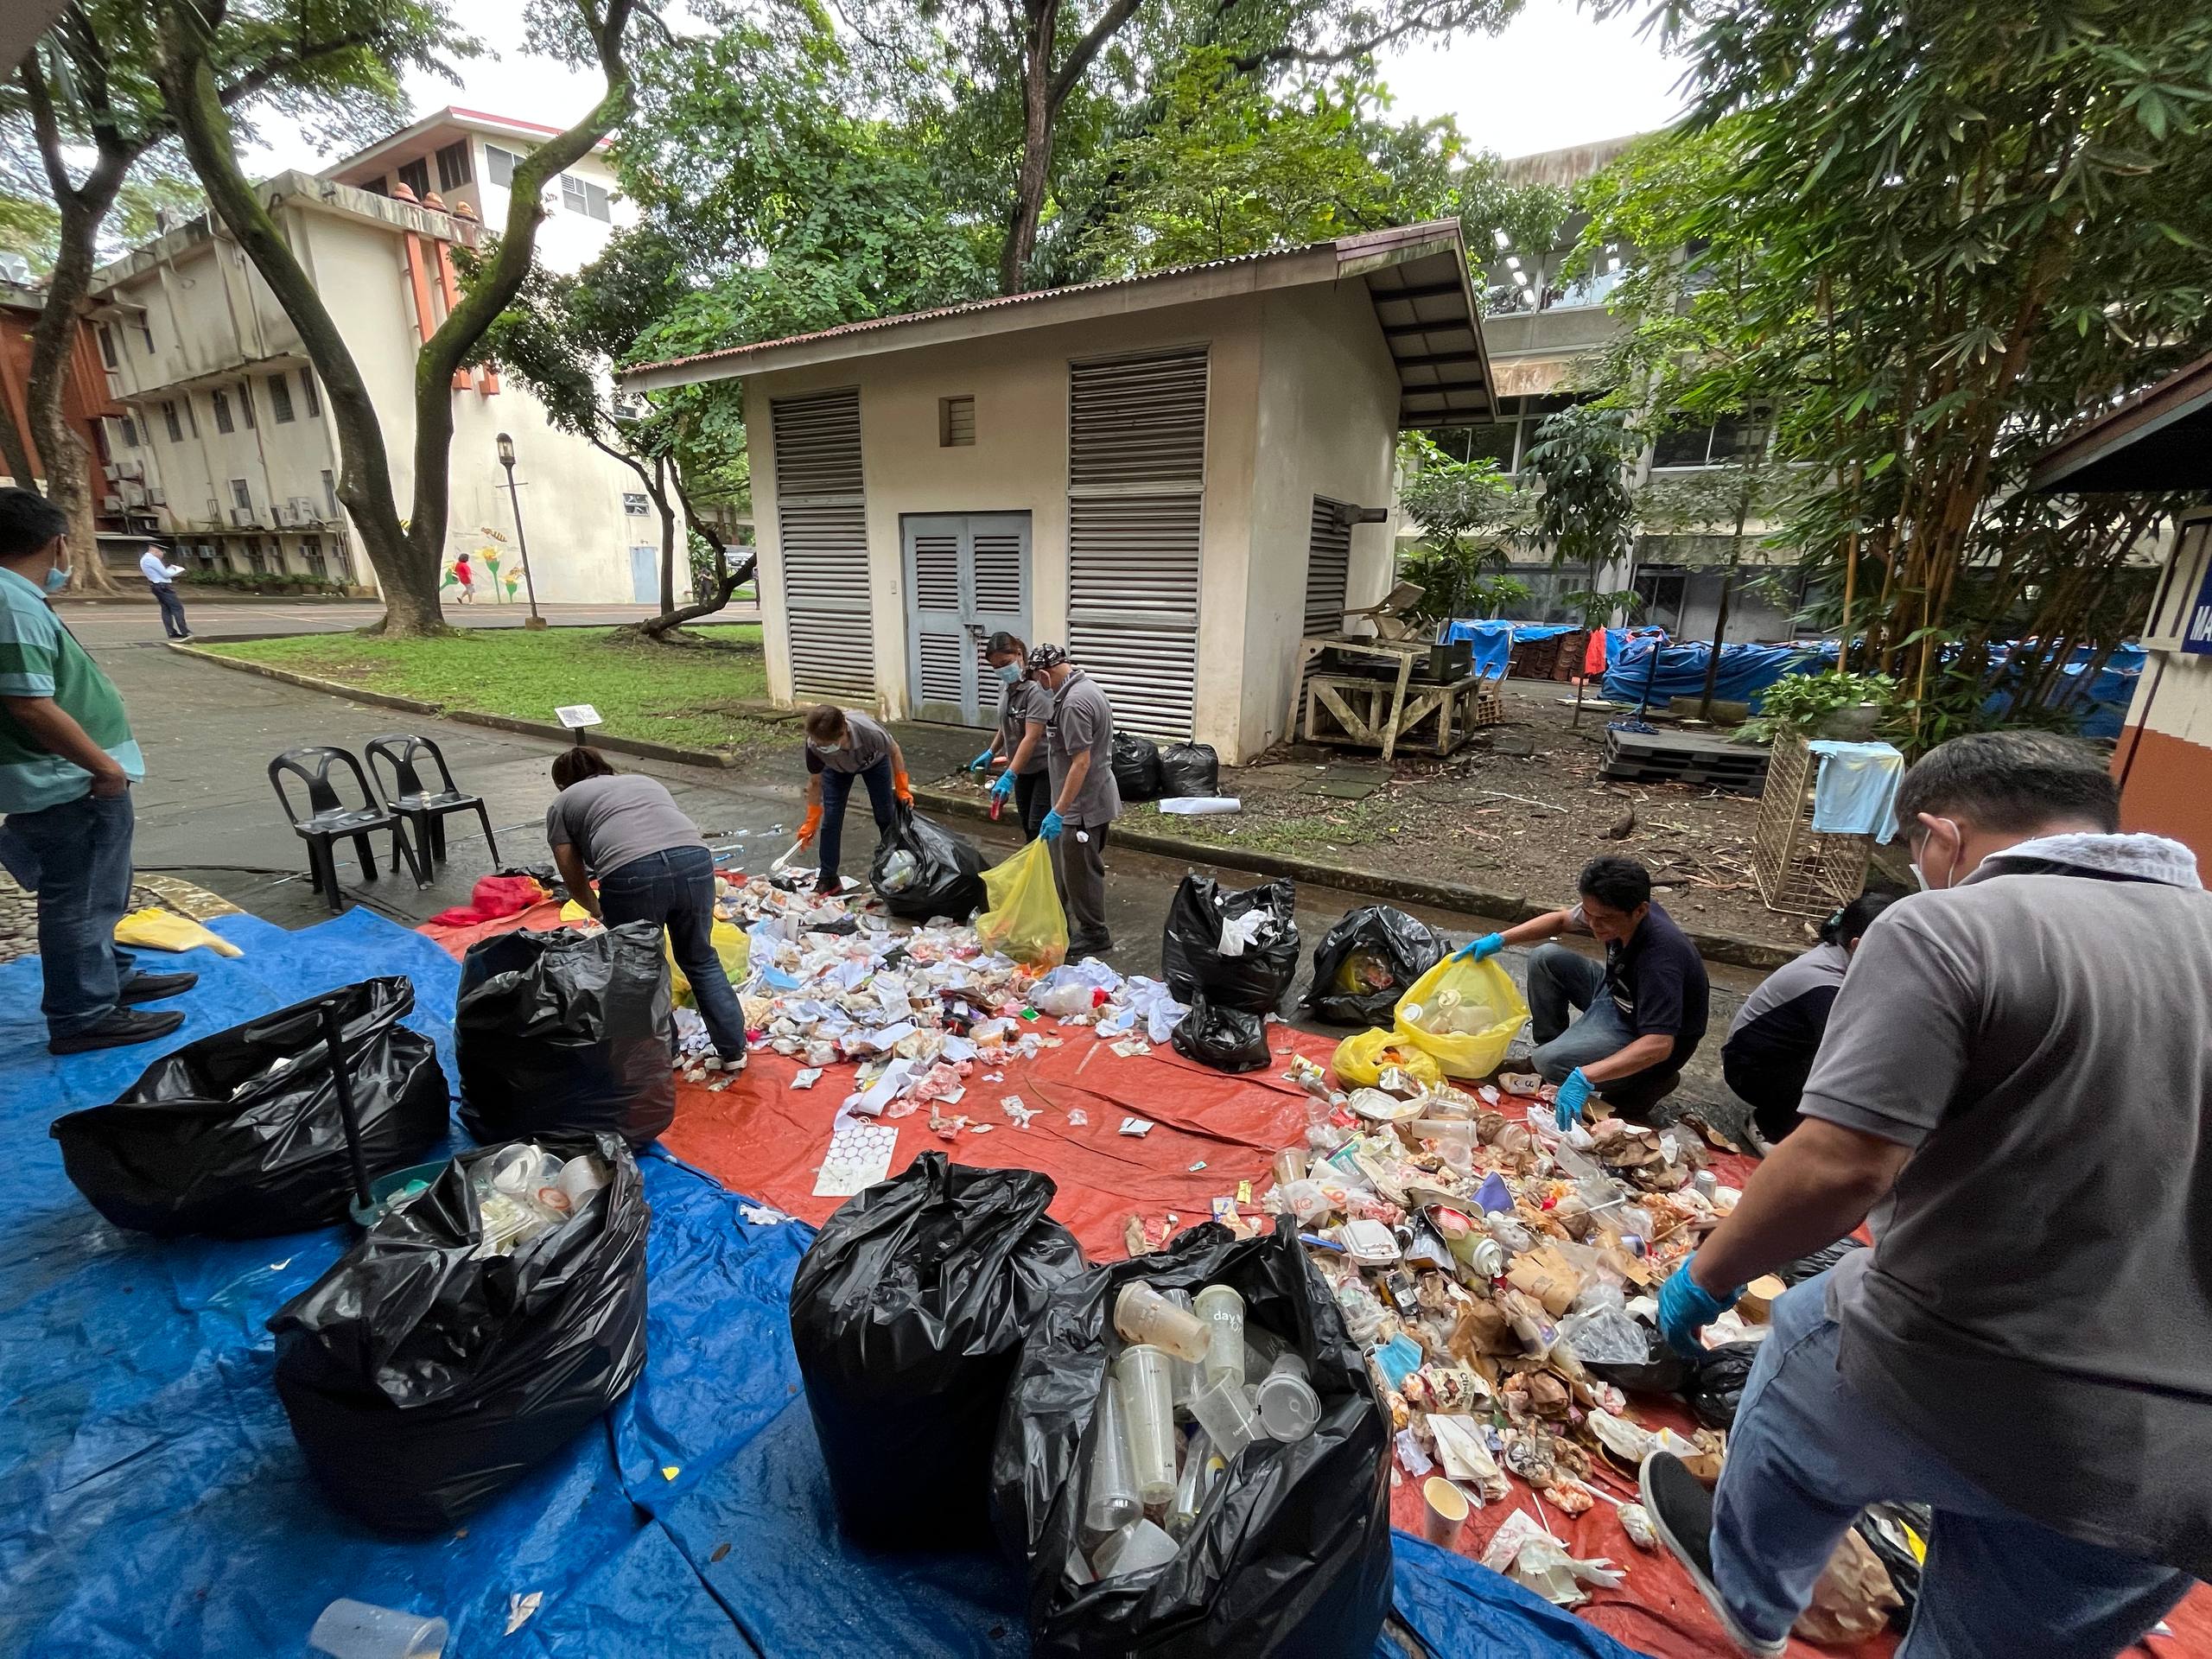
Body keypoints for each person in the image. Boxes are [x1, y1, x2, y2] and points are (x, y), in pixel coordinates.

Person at [1642, 732, 2209, 1659]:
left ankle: (1750, 1592)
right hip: (2181, 1467)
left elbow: (1839, 1167)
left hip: (1967, 1374)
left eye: (1915, 849)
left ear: (1941, 835)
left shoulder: (1949, 926)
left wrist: (1702, 1280)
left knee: (1803, 1331)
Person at [0, 488, 194, 1053]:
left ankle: (110, 976)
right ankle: (84, 1014)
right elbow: (29, 703)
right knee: (81, 898)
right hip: (66, 781)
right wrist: (104, 768)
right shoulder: (11, 601)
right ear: (57, 543)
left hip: (64, 778)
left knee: (101, 890)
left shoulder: (17, 596)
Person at [1455, 854, 1708, 1123]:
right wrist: (1498, 940)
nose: (1594, 925)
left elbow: (1659, 1045)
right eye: (1589, 914)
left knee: (1550, 1061)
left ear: (1640, 911)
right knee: (1546, 958)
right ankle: (1553, 1057)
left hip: (1645, 1033)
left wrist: (1585, 1076)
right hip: (1619, 995)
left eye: (1604, 919)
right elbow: (1561, 920)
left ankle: (1641, 1084)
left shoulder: (1660, 960)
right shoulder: (1616, 908)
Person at [545, 745, 746, 1068]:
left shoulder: (563, 802)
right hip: (694, 860)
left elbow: (571, 871)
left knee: (643, 967)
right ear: (605, 767)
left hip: (630, 871)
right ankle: (733, 1051)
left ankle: (668, 1054)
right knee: (700, 958)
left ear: (561, 783)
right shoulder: (644, 781)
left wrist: (596, 909)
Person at [1721, 887, 1904, 1145]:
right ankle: (1769, 1125)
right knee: (1846, 1070)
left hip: (1782, 1054)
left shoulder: (1842, 956)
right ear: (1858, 945)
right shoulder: (1824, 985)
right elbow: (1845, 1052)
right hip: (1750, 1071)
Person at [1026, 644, 1121, 958]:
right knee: (1071, 871)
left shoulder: (1073, 704)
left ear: (1044, 674)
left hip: (1081, 807)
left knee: (1082, 874)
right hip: (1088, 799)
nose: (1040, 686)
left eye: (1038, 680)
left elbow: (1081, 762)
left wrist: (1060, 811)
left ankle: (1095, 933)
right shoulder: (1085, 688)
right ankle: (1065, 924)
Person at [795, 704, 912, 897]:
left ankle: (899, 867)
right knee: (831, 822)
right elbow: (815, 782)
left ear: (843, 732)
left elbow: (894, 751)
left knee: (885, 815)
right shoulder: (814, 745)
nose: (820, 747)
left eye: (826, 745)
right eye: (818, 743)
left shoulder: (869, 732)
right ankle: (828, 878)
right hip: (836, 770)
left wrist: (902, 788)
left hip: (874, 763)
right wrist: (811, 819)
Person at [968, 631, 1051, 840]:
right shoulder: (1005, 687)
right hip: (1021, 767)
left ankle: (1047, 861)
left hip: (1045, 767)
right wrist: (991, 751)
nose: (1002, 670)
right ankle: (1034, 860)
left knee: (1037, 827)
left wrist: (1009, 775)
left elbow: (1031, 737)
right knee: (1026, 823)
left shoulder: (1036, 690)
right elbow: (1007, 723)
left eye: (1005, 663)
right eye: (996, 667)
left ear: (1019, 654)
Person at [139, 543, 190, 640]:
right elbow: (166, 574)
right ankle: (185, 631)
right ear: (156, 551)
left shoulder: (144, 559)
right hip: (163, 586)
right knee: (177, 608)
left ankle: (171, 632)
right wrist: (176, 570)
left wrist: (169, 569)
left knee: (166, 609)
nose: (162, 555)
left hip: (155, 585)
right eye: (162, 552)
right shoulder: (153, 559)